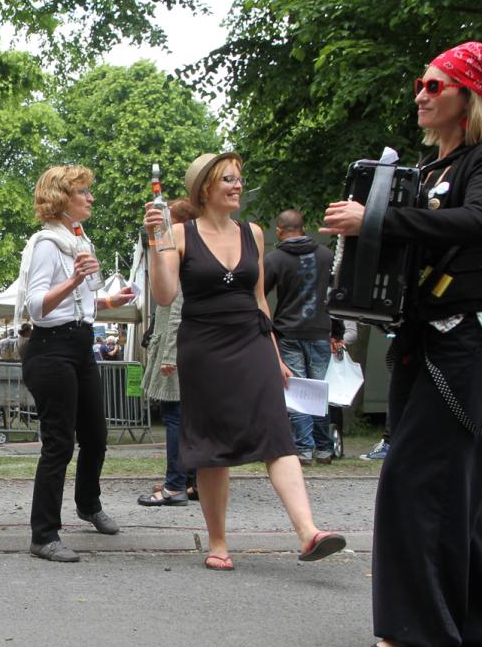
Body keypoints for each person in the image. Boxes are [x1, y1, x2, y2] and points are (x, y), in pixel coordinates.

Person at [323, 42, 482, 647]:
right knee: (456, 481)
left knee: (415, 479)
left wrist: (377, 223)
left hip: (463, 338)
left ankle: (417, 632)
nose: (420, 93)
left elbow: (481, 224)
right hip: (424, 338)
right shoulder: (424, 168)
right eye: (420, 83)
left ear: (468, 96)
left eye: (435, 85)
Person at [143, 151, 346, 572]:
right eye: (228, 180)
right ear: (205, 189)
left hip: (251, 340)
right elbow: (163, 296)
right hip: (203, 346)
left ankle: (309, 532)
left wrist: (275, 356)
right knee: (212, 443)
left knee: (276, 431)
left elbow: (260, 303)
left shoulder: (252, 232)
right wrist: (155, 243)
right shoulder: (179, 234)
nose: (237, 186)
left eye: (239, 179)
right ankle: (217, 542)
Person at [15, 165, 136, 562]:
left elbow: (76, 305)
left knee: (96, 435)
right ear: (62, 199)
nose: (91, 197)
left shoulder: (79, 242)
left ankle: (87, 504)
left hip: (79, 345)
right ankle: (43, 535)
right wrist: (73, 281)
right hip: (50, 349)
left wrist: (107, 303)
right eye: (83, 191)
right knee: (59, 443)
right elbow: (37, 306)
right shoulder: (47, 243)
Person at [263, 209, 338, 464]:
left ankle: (303, 449)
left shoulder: (274, 259)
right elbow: (335, 296)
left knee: (297, 391)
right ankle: (325, 449)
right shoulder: (326, 256)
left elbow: (259, 295)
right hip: (320, 330)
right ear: (303, 229)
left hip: (288, 331)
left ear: (280, 231)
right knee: (319, 391)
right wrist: (335, 331)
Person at [139, 198, 199, 507]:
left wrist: (169, 356)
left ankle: (175, 484)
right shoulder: (195, 252)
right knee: (190, 419)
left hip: (178, 347)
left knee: (176, 418)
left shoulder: (179, 254)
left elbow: (177, 308)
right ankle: (191, 482)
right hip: (190, 346)